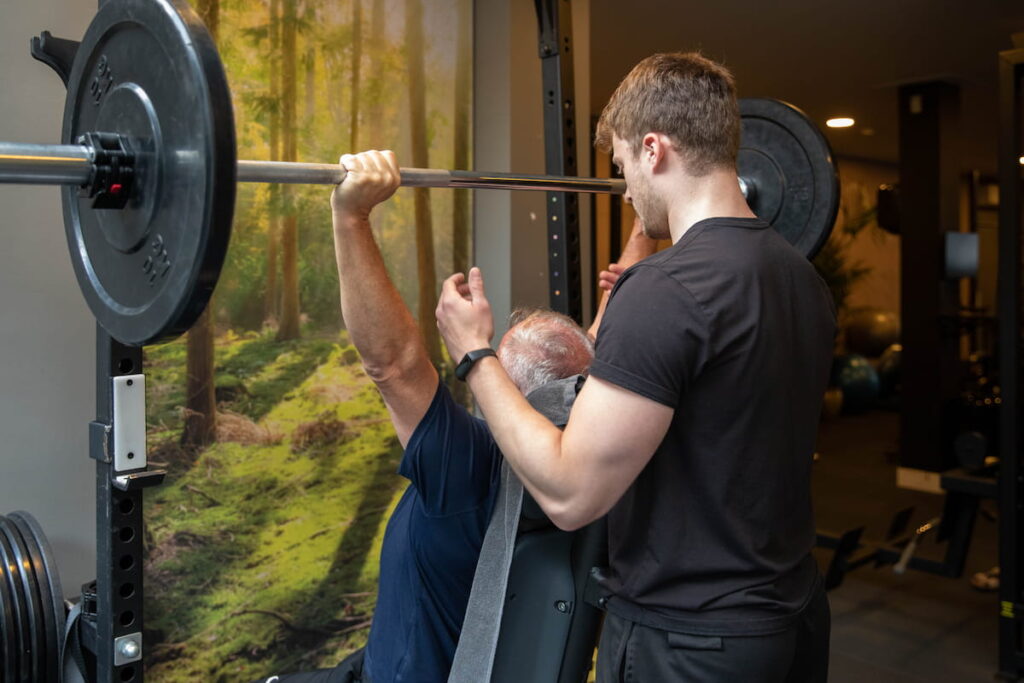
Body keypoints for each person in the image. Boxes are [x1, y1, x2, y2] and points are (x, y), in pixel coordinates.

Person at [434, 52, 837, 682]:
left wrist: (476, 355)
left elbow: (570, 494)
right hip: (789, 617)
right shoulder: (800, 277)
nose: (624, 188)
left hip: (693, 641)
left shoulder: (667, 289)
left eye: (622, 166)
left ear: (654, 149)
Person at [259, 149, 641, 683]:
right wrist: (647, 216)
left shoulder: (470, 469)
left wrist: (352, 216)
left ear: (503, 388)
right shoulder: (598, 450)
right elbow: (589, 357)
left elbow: (392, 364)